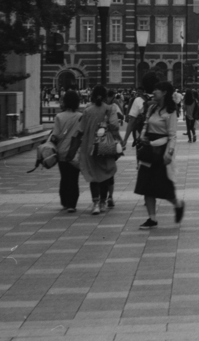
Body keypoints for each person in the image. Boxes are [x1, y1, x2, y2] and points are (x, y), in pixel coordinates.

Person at [133, 80, 185, 229]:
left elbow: (172, 135)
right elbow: (146, 125)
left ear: (164, 93)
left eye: (157, 90)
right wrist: (142, 139)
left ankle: (178, 204)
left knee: (163, 186)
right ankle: (152, 218)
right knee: (146, 185)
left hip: (160, 151)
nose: (154, 92)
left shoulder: (170, 111)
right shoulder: (152, 108)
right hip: (149, 149)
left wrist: (169, 152)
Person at [75, 84, 122, 215]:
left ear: (92, 96)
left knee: (93, 175)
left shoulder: (87, 110)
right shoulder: (110, 109)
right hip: (105, 144)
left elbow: (80, 129)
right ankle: (103, 203)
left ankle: (95, 203)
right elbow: (114, 126)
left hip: (90, 146)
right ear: (106, 96)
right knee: (106, 174)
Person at [52, 89, 83, 213]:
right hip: (75, 152)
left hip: (61, 152)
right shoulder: (80, 116)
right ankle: (72, 204)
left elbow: (55, 135)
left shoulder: (59, 116)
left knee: (64, 177)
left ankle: (64, 202)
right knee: (74, 179)